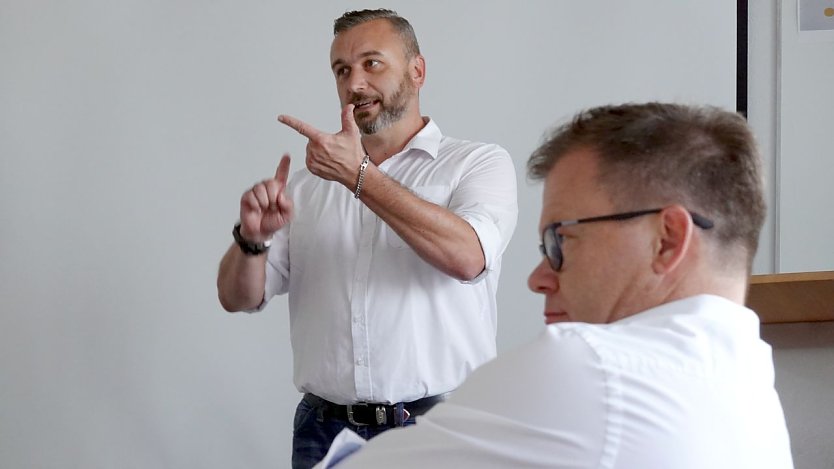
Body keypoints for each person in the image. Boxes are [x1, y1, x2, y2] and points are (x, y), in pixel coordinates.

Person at [314, 102, 794, 468]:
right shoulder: (750, 385)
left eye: (560, 240)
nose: (538, 278)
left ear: (666, 239)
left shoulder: (593, 367)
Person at [215, 8, 518, 469]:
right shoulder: (306, 187)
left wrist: (358, 176)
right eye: (342, 70)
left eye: (372, 63)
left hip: (443, 430)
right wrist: (250, 240)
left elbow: (468, 257)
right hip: (324, 432)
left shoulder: (477, 164)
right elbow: (238, 298)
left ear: (417, 71)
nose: (355, 83)